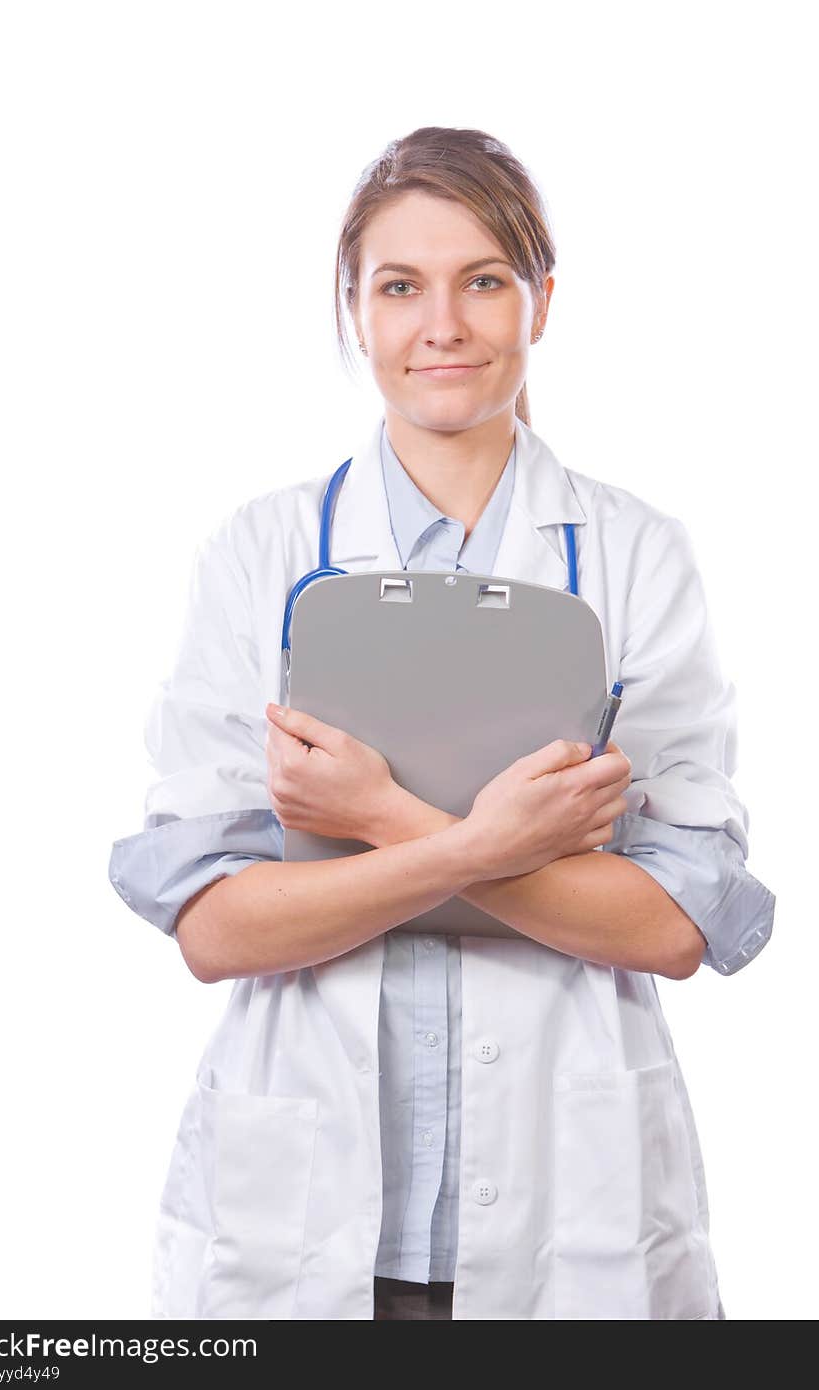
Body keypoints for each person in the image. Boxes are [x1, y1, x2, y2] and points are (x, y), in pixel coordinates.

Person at [108, 126, 775, 1321]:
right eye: (400, 286)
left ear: (542, 300)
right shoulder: (258, 559)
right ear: (355, 311)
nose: (443, 326)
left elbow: (674, 928)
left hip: (577, 1209)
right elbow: (214, 930)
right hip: (303, 1219)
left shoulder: (633, 559)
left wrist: (373, 817)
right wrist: (493, 844)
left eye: (484, 280)